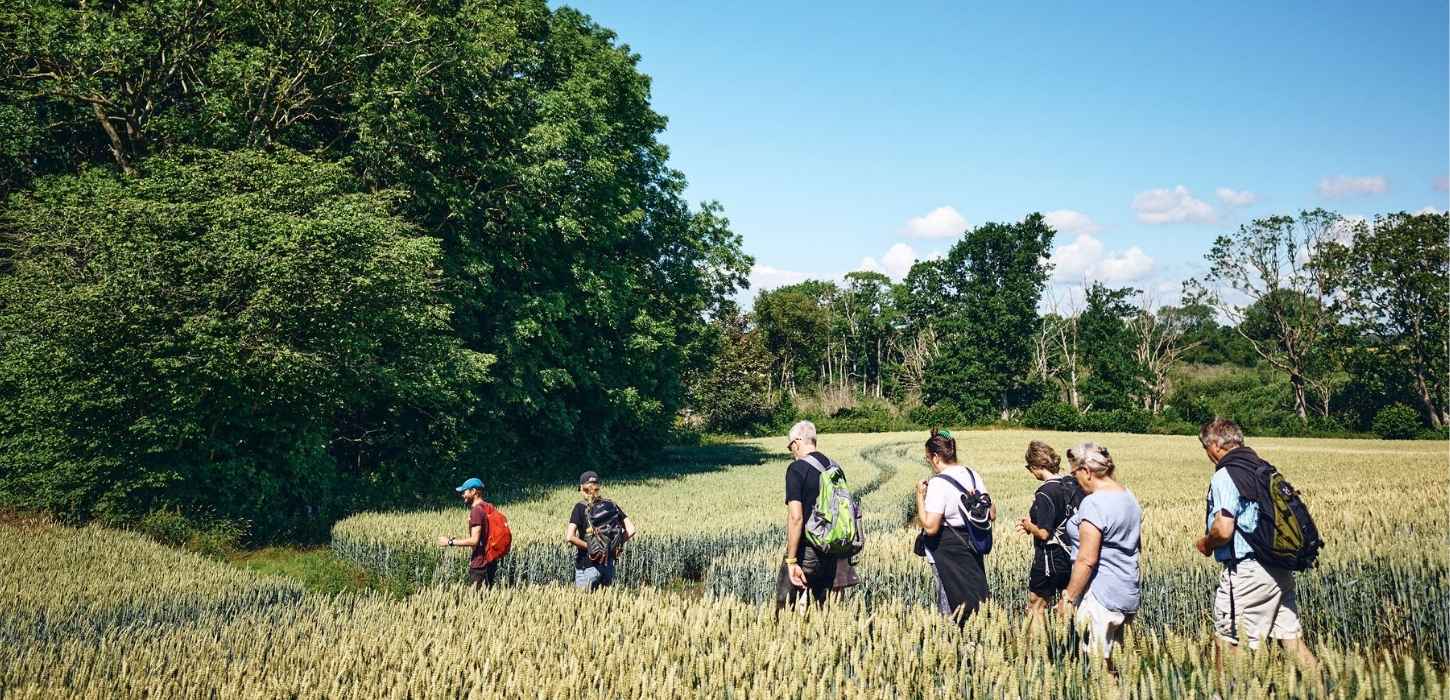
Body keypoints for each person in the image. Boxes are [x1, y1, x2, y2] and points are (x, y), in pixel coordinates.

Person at [1194, 418, 1319, 669]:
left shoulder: (1226, 475)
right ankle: (1325, 688)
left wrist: (1207, 543)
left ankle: (1228, 690)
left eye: (1205, 447)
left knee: (1229, 642)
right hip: (1278, 568)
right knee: (1291, 641)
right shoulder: (1262, 468)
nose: (1207, 454)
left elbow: (1224, 529)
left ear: (1216, 445)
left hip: (1248, 573)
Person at [1056, 443, 1141, 674]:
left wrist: (1069, 598)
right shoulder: (1128, 496)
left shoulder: (1094, 503)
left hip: (1100, 593)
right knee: (1114, 663)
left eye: (1074, 474)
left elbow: (1087, 559)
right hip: (1126, 589)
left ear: (1086, 471)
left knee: (1098, 666)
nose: (1075, 480)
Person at [777, 420, 858, 609]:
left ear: (797, 442)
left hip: (808, 550)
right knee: (823, 606)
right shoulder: (834, 467)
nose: (791, 451)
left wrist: (791, 560)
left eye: (790, 446)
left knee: (785, 606)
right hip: (833, 549)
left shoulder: (796, 469)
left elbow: (796, 517)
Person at [915, 429, 993, 621]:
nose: (929, 462)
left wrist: (920, 497)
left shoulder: (938, 483)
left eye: (927, 458)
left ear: (936, 457)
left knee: (950, 605)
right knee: (975, 601)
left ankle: (954, 637)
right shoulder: (972, 475)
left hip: (947, 552)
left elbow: (930, 527)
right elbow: (991, 513)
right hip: (972, 545)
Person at [1016, 440, 1084, 614]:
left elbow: (1044, 533)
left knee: (1036, 605)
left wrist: (1028, 526)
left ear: (1036, 466)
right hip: (1072, 554)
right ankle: (1069, 632)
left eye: (1029, 467)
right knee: (1067, 601)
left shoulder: (1045, 492)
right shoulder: (1071, 484)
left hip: (1050, 558)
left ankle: (1040, 634)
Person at [566, 471, 636, 591]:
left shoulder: (580, 507)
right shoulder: (611, 505)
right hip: (608, 567)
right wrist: (611, 548)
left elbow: (569, 537)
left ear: (582, 488)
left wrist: (591, 548)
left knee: (584, 602)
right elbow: (631, 530)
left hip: (587, 567)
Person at [436, 477, 497, 589]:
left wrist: (449, 542)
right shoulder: (489, 507)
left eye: (464, 492)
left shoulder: (477, 510)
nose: (462, 495)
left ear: (473, 491)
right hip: (491, 561)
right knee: (487, 595)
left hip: (480, 564)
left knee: (476, 597)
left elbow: (474, 541)